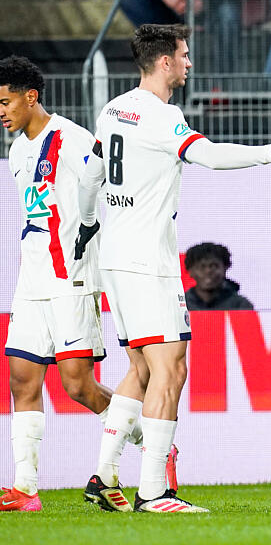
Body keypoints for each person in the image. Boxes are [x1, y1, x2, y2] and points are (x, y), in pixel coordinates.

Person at [75, 23, 271, 513]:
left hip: (117, 260)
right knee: (172, 369)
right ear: (164, 61)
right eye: (185, 55)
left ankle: (103, 477)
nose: (189, 63)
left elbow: (91, 174)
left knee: (142, 369)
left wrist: (87, 225)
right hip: (151, 263)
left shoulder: (111, 110)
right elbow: (208, 156)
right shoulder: (163, 116)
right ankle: (154, 492)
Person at [0, 55, 140, 512]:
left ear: (30, 96)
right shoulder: (17, 149)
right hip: (31, 278)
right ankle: (25, 489)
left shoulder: (75, 140)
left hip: (72, 276)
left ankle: (154, 442)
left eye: (5, 102)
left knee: (78, 386)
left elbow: (109, 194)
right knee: (22, 379)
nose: (1, 112)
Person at [184, 243, 253, 311]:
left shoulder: (240, 305)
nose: (208, 271)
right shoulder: (180, 305)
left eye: (214, 266)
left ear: (225, 267)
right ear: (190, 271)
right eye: (201, 267)